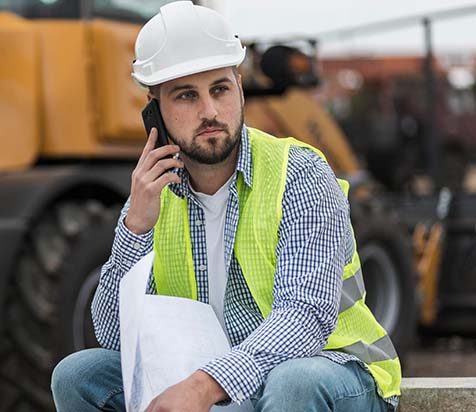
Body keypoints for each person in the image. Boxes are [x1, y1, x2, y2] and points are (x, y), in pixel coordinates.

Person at [51, 2, 401, 411]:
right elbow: (112, 334)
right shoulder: (151, 195)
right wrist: (135, 229)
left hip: (332, 373)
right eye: (186, 96)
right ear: (155, 110)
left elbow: (305, 316)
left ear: (238, 84)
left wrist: (204, 385)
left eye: (219, 89)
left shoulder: (300, 173)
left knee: (292, 384)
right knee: (77, 375)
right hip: (220, 380)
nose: (210, 111)